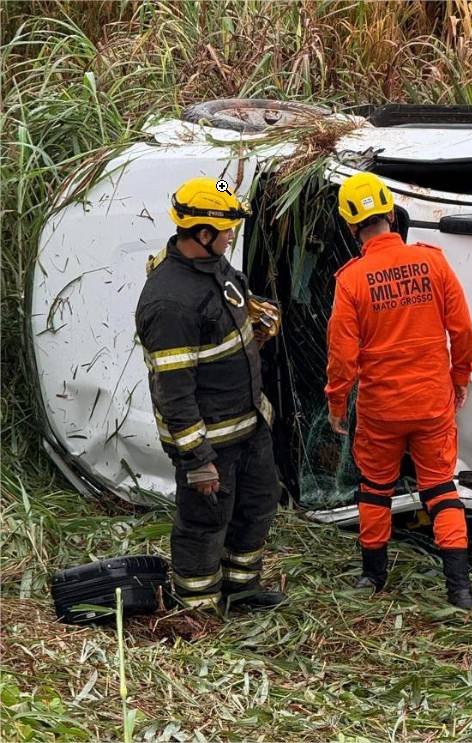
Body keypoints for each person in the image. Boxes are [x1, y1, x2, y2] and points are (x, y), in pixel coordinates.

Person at [325, 172, 472, 608]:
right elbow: (463, 331)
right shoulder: (433, 262)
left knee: (375, 488)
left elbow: (342, 356)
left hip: (381, 409)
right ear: (392, 215)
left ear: (351, 226)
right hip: (433, 402)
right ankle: (460, 590)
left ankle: (373, 579)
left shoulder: (351, 280)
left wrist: (337, 402)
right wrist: (461, 376)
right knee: (440, 489)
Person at [135, 177, 285, 612]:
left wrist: (257, 315)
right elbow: (173, 392)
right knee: (204, 524)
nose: (232, 235)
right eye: (226, 230)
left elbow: (233, 307)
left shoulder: (213, 265)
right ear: (201, 234)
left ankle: (240, 591)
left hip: (248, 424)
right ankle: (197, 610)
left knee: (256, 506)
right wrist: (198, 461)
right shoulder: (169, 305)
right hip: (210, 441)